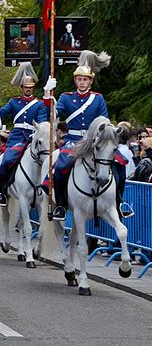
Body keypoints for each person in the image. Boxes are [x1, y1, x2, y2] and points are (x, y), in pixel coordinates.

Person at [43, 50, 133, 219]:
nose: (82, 82)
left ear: (91, 81)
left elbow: (104, 120)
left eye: (85, 79)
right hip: (73, 141)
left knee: (120, 164)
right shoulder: (65, 98)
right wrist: (47, 95)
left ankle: (120, 202)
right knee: (61, 167)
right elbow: (53, 113)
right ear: (75, 80)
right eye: (79, 79)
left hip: (94, 141)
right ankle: (61, 205)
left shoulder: (98, 98)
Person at [0, 62, 49, 206]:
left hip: (31, 137)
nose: (28, 90)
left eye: (30, 88)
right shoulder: (13, 102)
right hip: (16, 137)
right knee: (5, 161)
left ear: (33, 88)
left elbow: (42, 121)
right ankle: (2, 192)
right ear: (21, 87)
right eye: (26, 88)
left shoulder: (39, 104)